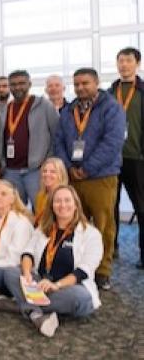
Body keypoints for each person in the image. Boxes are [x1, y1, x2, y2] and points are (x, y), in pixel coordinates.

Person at [0, 186, 104, 338]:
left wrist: (56, 285)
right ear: (52, 205)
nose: (62, 205)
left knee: (81, 297)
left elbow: (84, 271)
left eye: (67, 200)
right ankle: (36, 314)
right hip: (40, 284)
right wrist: (26, 274)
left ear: (76, 204)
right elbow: (28, 253)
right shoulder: (43, 229)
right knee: (10, 272)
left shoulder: (90, 234)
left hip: (68, 288)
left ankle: (22, 307)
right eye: (58, 201)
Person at [53, 68, 125, 290]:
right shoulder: (69, 110)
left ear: (96, 82)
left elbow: (112, 143)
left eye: (85, 83)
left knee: (103, 224)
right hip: (73, 177)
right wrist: (68, 166)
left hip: (101, 177)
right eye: (76, 84)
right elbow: (59, 140)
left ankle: (102, 270)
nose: (80, 87)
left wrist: (87, 168)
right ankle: (77, 265)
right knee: (74, 223)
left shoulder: (112, 108)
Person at [0, 70, 59, 208]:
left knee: (42, 211)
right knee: (13, 212)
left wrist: (47, 162)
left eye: (22, 83)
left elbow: (57, 134)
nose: (18, 87)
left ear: (29, 84)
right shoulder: (5, 108)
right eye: (13, 84)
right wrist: (0, 162)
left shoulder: (43, 105)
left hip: (35, 170)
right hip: (10, 171)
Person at [108, 47, 144, 269]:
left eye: (128, 61)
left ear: (137, 63)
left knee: (142, 207)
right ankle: (111, 248)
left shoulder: (142, 91)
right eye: (120, 61)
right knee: (110, 207)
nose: (124, 65)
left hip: (137, 158)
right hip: (111, 159)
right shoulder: (109, 93)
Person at [33, 157, 69, 226]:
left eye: (53, 172)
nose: (47, 174)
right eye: (45, 171)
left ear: (61, 174)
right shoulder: (40, 196)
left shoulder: (65, 196)